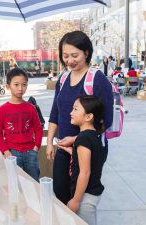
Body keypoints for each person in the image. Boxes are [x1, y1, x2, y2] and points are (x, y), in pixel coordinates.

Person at [46, 30, 113, 205]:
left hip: (87, 149)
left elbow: (106, 120)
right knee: (61, 193)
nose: (69, 61)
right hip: (63, 147)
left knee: (81, 199)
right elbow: (55, 112)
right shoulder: (63, 78)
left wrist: (75, 139)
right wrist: (49, 141)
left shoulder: (97, 80)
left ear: (87, 52)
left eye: (75, 55)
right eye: (65, 55)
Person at [60, 95, 105, 225]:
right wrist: (72, 151)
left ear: (88, 117)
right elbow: (92, 159)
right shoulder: (94, 135)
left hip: (85, 197)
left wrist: (76, 200)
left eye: (75, 109)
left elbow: (85, 173)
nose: (71, 112)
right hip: (92, 193)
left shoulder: (83, 139)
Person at [0, 67, 43, 181]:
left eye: (24, 84)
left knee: (33, 182)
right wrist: (6, 151)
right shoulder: (3, 109)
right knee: (13, 184)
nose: (20, 88)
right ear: (8, 86)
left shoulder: (30, 108)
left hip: (30, 152)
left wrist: (36, 148)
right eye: (16, 85)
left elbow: (38, 129)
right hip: (12, 153)